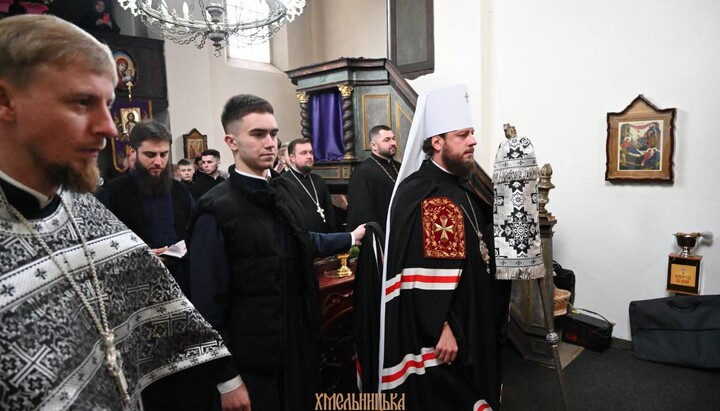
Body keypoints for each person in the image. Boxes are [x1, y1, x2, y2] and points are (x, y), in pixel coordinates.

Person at [0, 15, 228, 410]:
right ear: (6, 101)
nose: (109, 128)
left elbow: (168, 318)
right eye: (82, 102)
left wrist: (227, 378)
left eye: (108, 105)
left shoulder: (87, 210)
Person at [189, 94, 365, 411]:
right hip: (251, 368)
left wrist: (348, 238)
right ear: (231, 141)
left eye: (273, 133)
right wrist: (227, 380)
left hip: (296, 353)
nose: (270, 142)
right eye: (258, 134)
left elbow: (300, 240)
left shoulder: (281, 191)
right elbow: (206, 305)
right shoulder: (215, 209)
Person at [379, 85, 511, 410]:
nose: (473, 141)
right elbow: (417, 271)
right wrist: (440, 327)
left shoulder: (461, 189)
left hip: (474, 313)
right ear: (437, 142)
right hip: (449, 329)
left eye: (472, 133)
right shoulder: (422, 193)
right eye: (463, 135)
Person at [98, 120, 194, 297]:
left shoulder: (180, 190)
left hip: (180, 281)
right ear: (133, 152)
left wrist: (185, 248)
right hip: (134, 286)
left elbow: (193, 231)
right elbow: (102, 246)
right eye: (150, 154)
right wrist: (143, 256)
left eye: (164, 154)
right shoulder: (113, 193)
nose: (159, 162)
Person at [346, 125, 401, 232]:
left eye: (393, 139)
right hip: (379, 232)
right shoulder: (362, 172)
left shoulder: (400, 167)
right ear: (373, 146)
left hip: (399, 229)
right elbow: (361, 211)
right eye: (387, 140)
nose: (393, 143)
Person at [280, 138, 336, 232]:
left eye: (311, 152)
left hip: (325, 239)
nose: (309, 156)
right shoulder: (283, 182)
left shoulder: (318, 180)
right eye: (304, 153)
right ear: (292, 157)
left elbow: (330, 212)